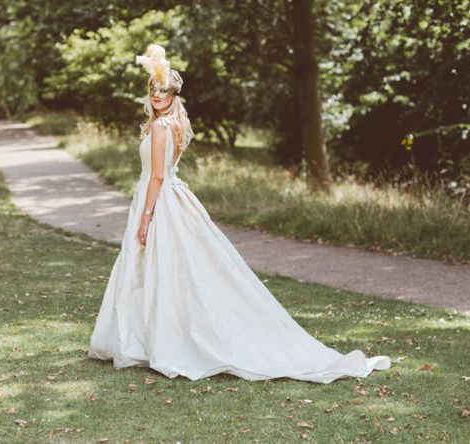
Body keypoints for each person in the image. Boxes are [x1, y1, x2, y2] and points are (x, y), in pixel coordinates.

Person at [88, 44, 390, 383]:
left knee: (161, 266)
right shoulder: (173, 124)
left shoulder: (160, 128)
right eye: (154, 91)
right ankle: (151, 336)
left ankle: (157, 338)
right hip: (168, 196)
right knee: (168, 267)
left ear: (173, 95)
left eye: (164, 92)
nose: (158, 96)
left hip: (158, 201)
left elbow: (158, 175)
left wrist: (146, 217)